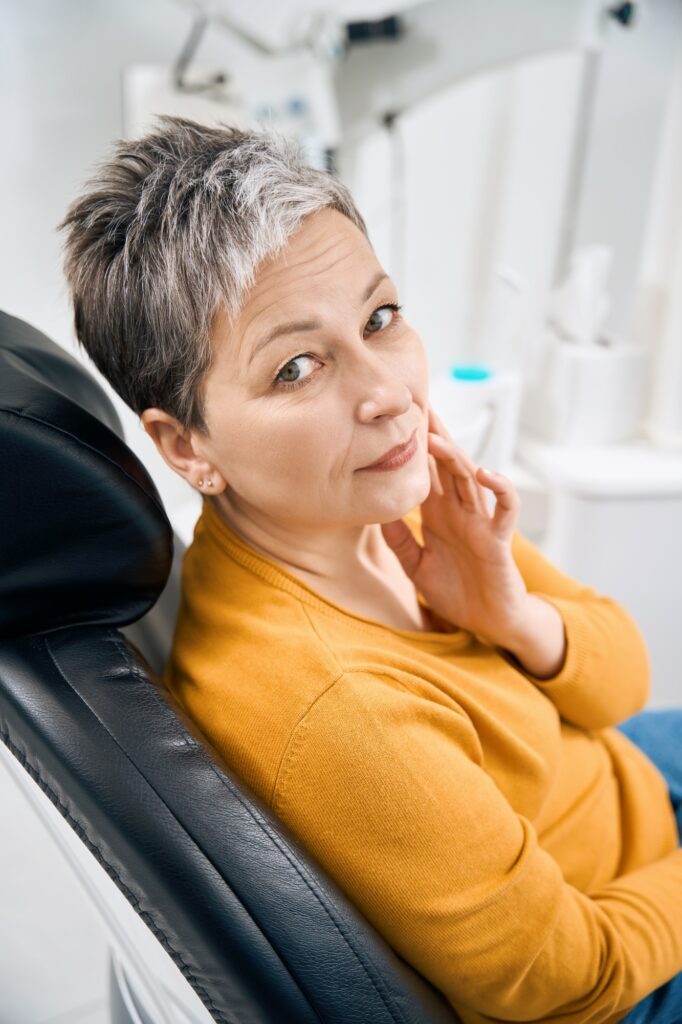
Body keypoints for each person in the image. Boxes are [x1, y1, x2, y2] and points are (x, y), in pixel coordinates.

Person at [58, 115, 682, 1024]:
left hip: (625, 784)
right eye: (298, 368)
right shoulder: (338, 708)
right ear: (187, 445)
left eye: (380, 318)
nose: (389, 393)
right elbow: (563, 979)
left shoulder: (384, 491)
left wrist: (512, 614)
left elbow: (621, 684)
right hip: (632, 951)